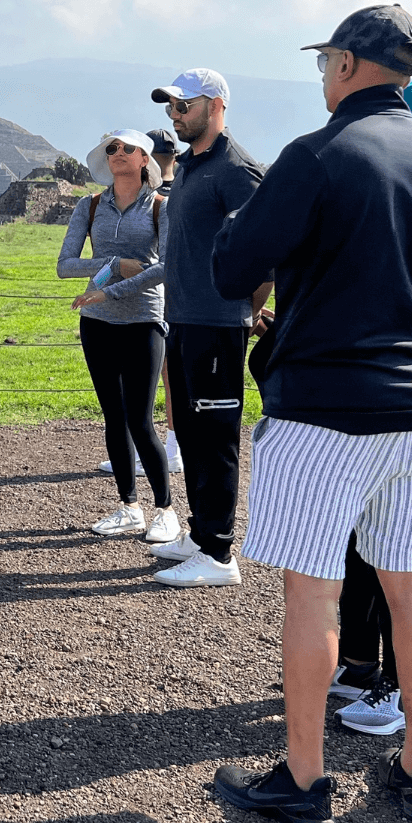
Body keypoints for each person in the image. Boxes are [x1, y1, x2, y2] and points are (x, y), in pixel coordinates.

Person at [210, 5, 412, 823]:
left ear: (344, 63)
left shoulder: (317, 154)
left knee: (313, 591)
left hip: (323, 406)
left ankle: (305, 780)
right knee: (410, 583)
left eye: (325, 62)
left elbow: (232, 268)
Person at [331, 76, 412, 738]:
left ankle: (394, 692)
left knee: (396, 565)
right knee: (362, 548)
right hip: (376, 390)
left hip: (389, 394)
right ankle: (358, 667)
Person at [146, 69, 265, 589]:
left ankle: (218, 553)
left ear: (215, 105)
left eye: (184, 105)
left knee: (215, 440)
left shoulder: (236, 169)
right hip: (185, 320)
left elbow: (264, 254)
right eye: (170, 107)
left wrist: (244, 312)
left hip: (217, 324)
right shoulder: (193, 164)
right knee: (191, 435)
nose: (175, 115)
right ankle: (199, 535)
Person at [58, 130, 179, 544]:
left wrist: (110, 289)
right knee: (114, 417)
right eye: (111, 148)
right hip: (96, 321)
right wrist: (114, 263)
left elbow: (166, 267)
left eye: (128, 148)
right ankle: (129, 506)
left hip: (144, 320)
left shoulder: (162, 206)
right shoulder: (89, 205)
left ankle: (165, 511)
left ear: (145, 159)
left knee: (140, 420)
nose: (118, 153)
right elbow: (65, 265)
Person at [95, 125, 184, 478]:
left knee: (158, 376)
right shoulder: (179, 189)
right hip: (170, 292)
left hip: (155, 295)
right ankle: (164, 446)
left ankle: (165, 449)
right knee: (165, 377)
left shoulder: (159, 199)